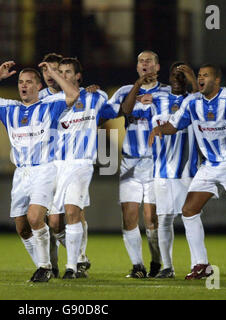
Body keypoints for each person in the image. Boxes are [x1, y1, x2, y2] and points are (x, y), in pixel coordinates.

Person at [148, 64, 226, 280]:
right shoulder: (192, 102)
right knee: (188, 210)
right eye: (199, 75)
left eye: (206, 75)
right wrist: (159, 129)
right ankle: (202, 264)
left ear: (217, 81)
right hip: (211, 164)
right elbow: (174, 126)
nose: (201, 78)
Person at [0, 61, 79, 282]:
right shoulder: (10, 108)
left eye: (29, 82)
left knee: (35, 218)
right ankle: (45, 267)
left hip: (45, 169)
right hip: (21, 173)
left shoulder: (50, 104)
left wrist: (53, 73)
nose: (24, 86)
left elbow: (72, 94)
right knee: (22, 228)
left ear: (38, 86)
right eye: (20, 82)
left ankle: (44, 267)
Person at [123, 62, 200, 278]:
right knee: (164, 218)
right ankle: (168, 267)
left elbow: (199, 95)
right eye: (174, 74)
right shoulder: (158, 98)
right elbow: (127, 110)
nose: (177, 78)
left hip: (187, 170)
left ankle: (198, 264)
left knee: (190, 217)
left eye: (182, 75)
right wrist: (139, 86)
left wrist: (191, 76)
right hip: (161, 169)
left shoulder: (193, 100)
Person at [49, 57, 117, 279]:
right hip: (56, 166)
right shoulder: (52, 101)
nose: (63, 75)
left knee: (72, 212)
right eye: (60, 71)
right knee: (55, 223)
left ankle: (71, 268)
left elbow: (112, 111)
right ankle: (79, 257)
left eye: (67, 72)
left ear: (78, 75)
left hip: (81, 163)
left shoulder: (95, 96)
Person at [105, 50, 169, 278]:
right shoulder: (125, 91)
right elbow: (113, 113)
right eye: (141, 61)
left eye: (149, 61)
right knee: (129, 216)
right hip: (130, 164)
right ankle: (137, 266)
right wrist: (136, 87)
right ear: (137, 67)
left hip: (156, 163)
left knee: (152, 219)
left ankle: (157, 262)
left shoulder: (168, 93)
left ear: (158, 67)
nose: (145, 64)